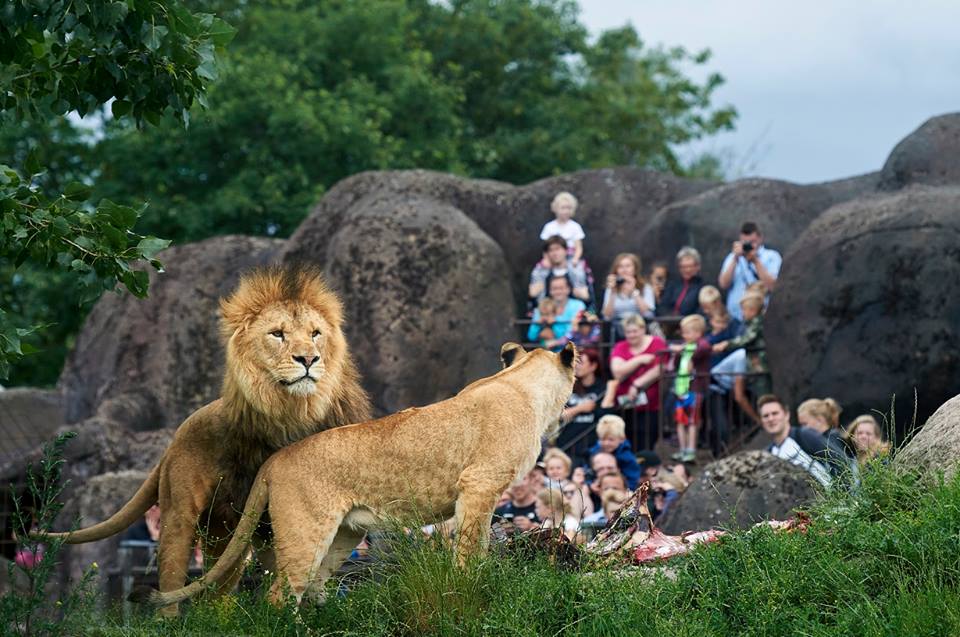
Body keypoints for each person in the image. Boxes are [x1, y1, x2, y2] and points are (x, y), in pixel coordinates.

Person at [606, 314, 667, 450]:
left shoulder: (657, 343)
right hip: (624, 404)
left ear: (643, 329)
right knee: (627, 441)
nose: (631, 335)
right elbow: (617, 372)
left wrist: (637, 384)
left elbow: (659, 369)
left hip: (650, 405)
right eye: (628, 332)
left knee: (646, 442)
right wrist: (638, 360)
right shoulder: (621, 346)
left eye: (635, 331)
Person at [758, 395, 832, 487]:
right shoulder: (768, 454)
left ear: (786, 415)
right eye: (766, 416)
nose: (771, 419)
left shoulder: (804, 436)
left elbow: (839, 460)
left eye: (775, 413)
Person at [669, 315, 712, 463]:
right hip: (681, 389)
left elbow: (704, 348)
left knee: (693, 421)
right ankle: (682, 449)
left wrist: (683, 348)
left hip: (695, 389)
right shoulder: (685, 347)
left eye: (687, 332)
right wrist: (678, 352)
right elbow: (676, 363)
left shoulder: (701, 346)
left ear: (698, 333)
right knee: (680, 421)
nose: (684, 336)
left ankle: (691, 450)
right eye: (683, 332)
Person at [718, 221, 782, 321]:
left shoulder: (772, 257)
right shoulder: (732, 257)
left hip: (760, 318)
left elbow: (773, 286)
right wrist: (735, 259)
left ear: (760, 238)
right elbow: (723, 284)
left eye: (752, 242)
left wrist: (755, 261)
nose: (749, 245)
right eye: (745, 242)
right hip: (734, 317)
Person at [712, 293, 770, 398]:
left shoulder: (757, 323)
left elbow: (746, 339)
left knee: (764, 396)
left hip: (760, 366)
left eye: (744, 310)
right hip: (753, 366)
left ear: (752, 310)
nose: (742, 313)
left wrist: (727, 344)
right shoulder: (750, 323)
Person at [557, 348, 605, 464]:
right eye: (575, 363)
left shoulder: (602, 388)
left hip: (592, 445)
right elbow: (558, 415)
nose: (577, 366)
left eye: (581, 363)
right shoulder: (567, 387)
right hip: (567, 443)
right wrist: (581, 408)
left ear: (593, 366)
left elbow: (604, 414)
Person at [602, 253, 656, 340]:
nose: (624, 270)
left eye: (628, 266)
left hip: (640, 327)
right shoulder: (611, 289)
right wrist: (613, 293)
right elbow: (606, 316)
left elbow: (648, 314)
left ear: (635, 269)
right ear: (616, 270)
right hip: (617, 330)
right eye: (620, 267)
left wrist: (634, 291)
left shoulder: (645, 287)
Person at [527, 275, 586, 350]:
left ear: (568, 289)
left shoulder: (578, 305)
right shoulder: (543, 305)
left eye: (561, 288)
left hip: (572, 352)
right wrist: (539, 324)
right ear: (550, 291)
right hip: (548, 353)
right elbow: (531, 336)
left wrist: (554, 325)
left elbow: (573, 333)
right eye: (554, 288)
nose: (558, 291)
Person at [528, 235, 590, 304]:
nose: (555, 253)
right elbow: (533, 295)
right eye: (551, 250)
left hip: (576, 312)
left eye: (557, 249)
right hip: (549, 311)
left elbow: (587, 297)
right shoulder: (540, 271)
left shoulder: (578, 269)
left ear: (565, 250)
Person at [586, 414, 642, 490]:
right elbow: (588, 472)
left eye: (610, 439)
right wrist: (590, 484)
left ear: (621, 439)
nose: (606, 443)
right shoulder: (593, 453)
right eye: (603, 439)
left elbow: (632, 480)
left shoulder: (627, 458)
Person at [657, 246, 706, 318]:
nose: (687, 270)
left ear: (697, 266)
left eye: (690, 266)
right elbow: (663, 306)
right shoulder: (673, 285)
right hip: (669, 323)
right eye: (683, 267)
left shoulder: (702, 286)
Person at [539, 192, 585, 264]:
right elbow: (545, 248)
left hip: (570, 257)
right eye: (563, 208)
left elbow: (578, 247)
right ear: (555, 208)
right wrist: (546, 259)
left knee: (578, 274)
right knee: (538, 273)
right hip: (553, 257)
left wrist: (575, 259)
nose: (566, 211)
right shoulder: (549, 227)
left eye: (568, 208)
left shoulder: (575, 227)